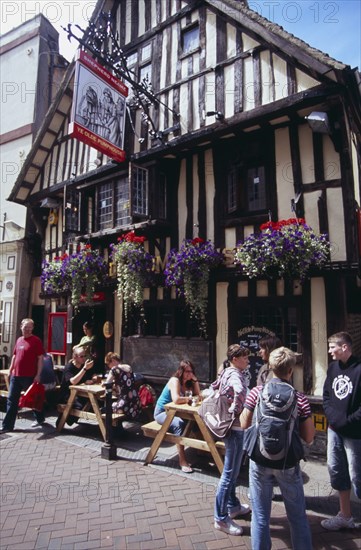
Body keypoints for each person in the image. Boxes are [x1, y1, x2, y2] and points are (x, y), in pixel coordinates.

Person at [240, 347, 315, 550]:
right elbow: (309, 437)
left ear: (271, 368)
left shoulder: (256, 392)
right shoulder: (299, 398)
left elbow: (244, 423)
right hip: (287, 462)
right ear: (290, 370)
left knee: (260, 516)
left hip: (259, 459)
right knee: (297, 515)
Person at [321, 331, 361, 531]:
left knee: (358, 476)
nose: (329, 352)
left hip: (355, 433)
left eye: (332, 347)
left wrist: (347, 421)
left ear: (344, 347)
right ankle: (345, 515)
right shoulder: (332, 368)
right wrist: (333, 418)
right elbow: (327, 395)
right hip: (334, 430)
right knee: (337, 471)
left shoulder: (360, 369)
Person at [213, 344, 251, 536]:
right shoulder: (235, 375)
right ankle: (220, 518)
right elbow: (239, 391)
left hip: (232, 427)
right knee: (229, 474)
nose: (248, 360)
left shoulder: (226, 371)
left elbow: (215, 387)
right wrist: (237, 409)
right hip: (234, 427)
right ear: (235, 359)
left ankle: (233, 505)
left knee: (233, 471)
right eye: (244, 357)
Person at [154, 360, 200, 473]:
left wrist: (196, 381)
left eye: (192, 371)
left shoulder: (189, 382)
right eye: (187, 371)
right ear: (181, 371)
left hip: (178, 412)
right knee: (179, 424)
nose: (190, 374)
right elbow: (176, 399)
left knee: (197, 422)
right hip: (162, 413)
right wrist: (191, 398)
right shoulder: (175, 381)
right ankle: (182, 460)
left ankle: (203, 450)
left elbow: (199, 396)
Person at [1, 318, 45, 432]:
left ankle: (40, 418)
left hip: (29, 376)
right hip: (16, 376)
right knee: (11, 400)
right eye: (26, 327)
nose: (28, 330)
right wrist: (11, 368)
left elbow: (40, 358)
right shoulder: (19, 340)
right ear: (21, 327)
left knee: (33, 400)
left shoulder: (36, 341)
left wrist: (38, 374)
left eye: (30, 327)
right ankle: (7, 426)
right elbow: (15, 355)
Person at [56, 346, 94, 426]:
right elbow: (73, 381)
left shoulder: (83, 365)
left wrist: (93, 378)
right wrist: (84, 369)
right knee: (79, 405)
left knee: (93, 401)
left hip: (80, 393)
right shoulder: (69, 367)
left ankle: (69, 419)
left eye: (84, 356)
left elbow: (90, 376)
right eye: (81, 356)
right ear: (75, 357)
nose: (83, 358)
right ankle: (64, 418)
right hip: (67, 395)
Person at [104, 352, 141, 419]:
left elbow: (107, 383)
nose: (108, 367)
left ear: (112, 361)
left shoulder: (114, 369)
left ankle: (110, 428)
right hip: (135, 404)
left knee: (106, 408)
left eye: (108, 364)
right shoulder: (128, 367)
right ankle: (118, 427)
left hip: (124, 406)